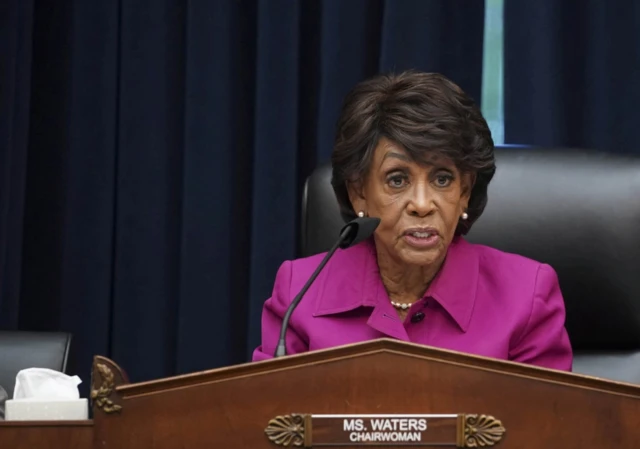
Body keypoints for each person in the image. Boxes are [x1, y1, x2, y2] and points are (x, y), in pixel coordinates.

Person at [252, 71, 572, 370]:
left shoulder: (526, 297)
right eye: (397, 180)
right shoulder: (299, 294)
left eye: (443, 179)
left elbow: (545, 426)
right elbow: (270, 421)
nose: (421, 204)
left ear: (465, 191)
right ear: (359, 193)